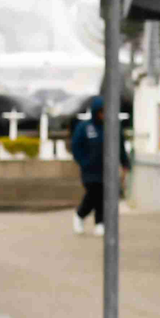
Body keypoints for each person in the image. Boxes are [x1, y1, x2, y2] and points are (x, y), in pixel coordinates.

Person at [69, 93, 130, 233]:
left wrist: (125, 164)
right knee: (93, 194)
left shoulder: (114, 128)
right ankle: (80, 214)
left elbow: (120, 147)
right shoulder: (84, 127)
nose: (104, 114)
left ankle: (100, 223)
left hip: (108, 170)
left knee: (104, 195)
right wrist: (84, 162)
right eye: (102, 111)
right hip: (90, 171)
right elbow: (76, 147)